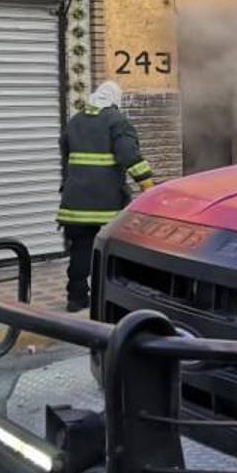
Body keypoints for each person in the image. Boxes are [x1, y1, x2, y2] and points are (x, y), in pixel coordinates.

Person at [57, 81, 154, 311]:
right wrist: (148, 186)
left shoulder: (76, 120)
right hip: (106, 205)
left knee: (80, 250)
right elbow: (129, 155)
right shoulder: (117, 121)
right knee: (115, 249)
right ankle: (118, 297)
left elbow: (65, 150)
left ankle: (76, 298)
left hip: (74, 204)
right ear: (115, 99)